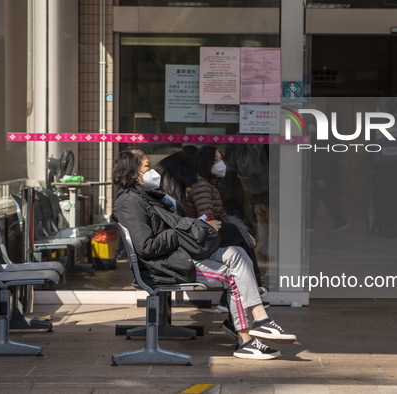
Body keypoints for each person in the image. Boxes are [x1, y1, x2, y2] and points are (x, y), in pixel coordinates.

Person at [112, 148, 296, 359]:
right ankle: (245, 342)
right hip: (163, 266)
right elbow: (147, 246)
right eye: (147, 166)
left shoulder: (147, 196)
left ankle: (261, 319)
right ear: (133, 173)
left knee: (236, 253)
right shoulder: (129, 202)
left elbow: (171, 228)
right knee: (232, 278)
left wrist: (185, 228)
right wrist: (183, 229)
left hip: (177, 255)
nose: (153, 171)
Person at [369, 98, 397, 238]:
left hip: (381, 168)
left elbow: (370, 148)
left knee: (381, 198)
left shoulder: (377, 127)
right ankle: (393, 228)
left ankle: (382, 228)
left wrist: (373, 167)